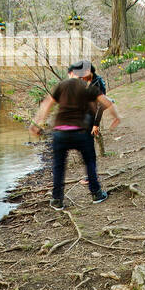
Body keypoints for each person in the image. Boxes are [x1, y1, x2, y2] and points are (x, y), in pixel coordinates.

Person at [28, 60, 120, 208]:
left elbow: (46, 105)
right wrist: (116, 117)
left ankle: (57, 200)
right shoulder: (87, 87)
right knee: (89, 161)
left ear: (71, 73)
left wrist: (36, 124)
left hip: (60, 133)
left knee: (59, 166)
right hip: (81, 133)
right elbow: (107, 102)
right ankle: (96, 193)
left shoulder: (61, 86)